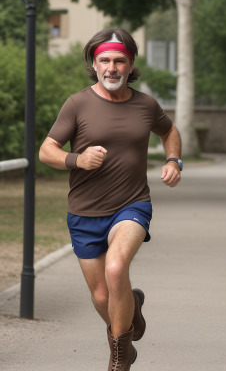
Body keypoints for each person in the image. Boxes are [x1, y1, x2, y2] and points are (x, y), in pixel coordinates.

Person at [39, 27, 182, 371]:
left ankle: (120, 357)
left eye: (120, 60)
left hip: (132, 205)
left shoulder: (146, 105)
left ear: (131, 64)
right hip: (84, 213)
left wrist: (173, 160)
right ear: (94, 62)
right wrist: (78, 159)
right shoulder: (77, 104)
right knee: (103, 296)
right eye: (105, 60)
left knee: (116, 268)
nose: (112, 67)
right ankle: (130, 311)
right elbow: (46, 151)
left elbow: (169, 131)